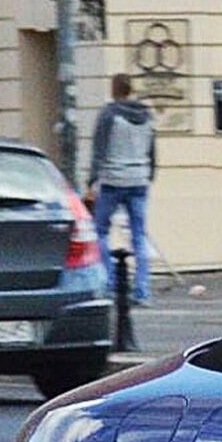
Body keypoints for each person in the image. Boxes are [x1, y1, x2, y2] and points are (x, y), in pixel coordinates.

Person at [87, 74, 158, 306]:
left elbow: (99, 149)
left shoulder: (109, 114)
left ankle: (109, 283)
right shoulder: (147, 115)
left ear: (114, 89)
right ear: (131, 90)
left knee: (100, 231)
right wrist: (149, 174)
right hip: (139, 179)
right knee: (138, 236)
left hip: (113, 180)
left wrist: (91, 181)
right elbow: (152, 150)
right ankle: (142, 291)